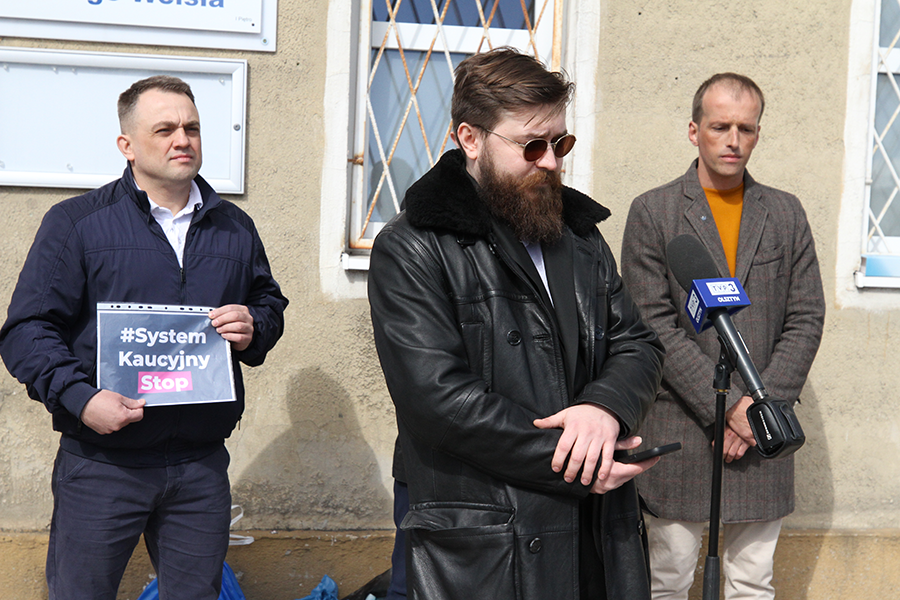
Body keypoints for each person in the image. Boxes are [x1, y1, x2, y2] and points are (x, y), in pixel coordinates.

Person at [368, 47, 666, 600]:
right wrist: (575, 461)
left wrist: (604, 408)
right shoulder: (412, 247)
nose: (550, 161)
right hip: (483, 534)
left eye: (560, 143)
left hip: (592, 528)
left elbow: (638, 343)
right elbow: (438, 399)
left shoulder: (580, 236)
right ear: (471, 138)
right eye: (531, 145)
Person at [0, 75, 288, 600]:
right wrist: (81, 399)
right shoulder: (78, 224)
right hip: (103, 465)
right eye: (165, 129)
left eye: (192, 128)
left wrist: (254, 326)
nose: (183, 139)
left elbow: (268, 304)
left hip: (200, 465)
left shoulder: (235, 228)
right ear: (127, 145)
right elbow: (27, 330)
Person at [620, 73, 825, 600]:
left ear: (757, 133)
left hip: (763, 435)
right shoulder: (654, 211)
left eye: (746, 128)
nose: (733, 140)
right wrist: (728, 408)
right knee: (666, 582)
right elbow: (652, 323)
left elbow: (806, 317)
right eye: (719, 127)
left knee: (752, 583)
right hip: (683, 428)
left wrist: (755, 409)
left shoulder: (785, 211)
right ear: (694, 131)